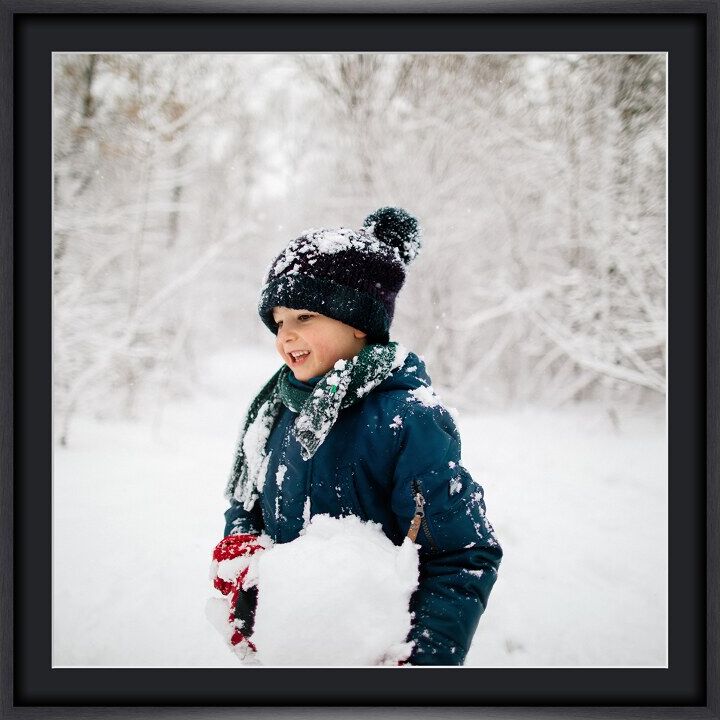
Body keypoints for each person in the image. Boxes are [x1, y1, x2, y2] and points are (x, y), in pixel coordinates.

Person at [210, 207, 502, 666]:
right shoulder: (280, 411)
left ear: (359, 323)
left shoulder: (407, 420)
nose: (286, 336)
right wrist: (245, 559)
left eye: (304, 317)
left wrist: (421, 660)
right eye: (279, 322)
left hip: (373, 658)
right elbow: (247, 508)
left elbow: (461, 554)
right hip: (287, 655)